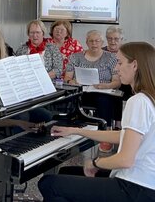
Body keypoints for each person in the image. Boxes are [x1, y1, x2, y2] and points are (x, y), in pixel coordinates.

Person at [38, 42, 155, 201]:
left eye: (120, 63)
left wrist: (95, 162)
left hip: (135, 188)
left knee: (49, 184)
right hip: (146, 185)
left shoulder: (138, 101)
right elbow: (124, 135)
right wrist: (77, 131)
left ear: (134, 65)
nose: (116, 68)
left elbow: (125, 159)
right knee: (66, 172)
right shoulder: (149, 99)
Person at [66, 30, 120, 130]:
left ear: (102, 43)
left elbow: (117, 82)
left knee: (104, 101)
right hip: (81, 91)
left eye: (97, 41)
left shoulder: (111, 57)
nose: (94, 44)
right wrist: (71, 82)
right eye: (91, 41)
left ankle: (105, 130)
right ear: (86, 43)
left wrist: (105, 86)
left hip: (103, 91)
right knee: (70, 99)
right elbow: (67, 78)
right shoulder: (75, 57)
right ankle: (74, 130)